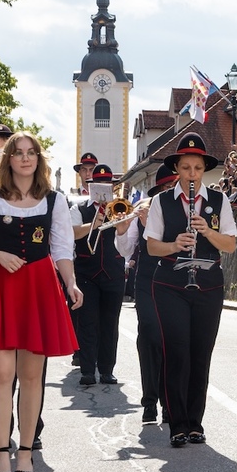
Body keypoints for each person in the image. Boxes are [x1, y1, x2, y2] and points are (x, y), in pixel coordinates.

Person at [0, 132, 84, 472]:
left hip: (39, 287)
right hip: (1, 287)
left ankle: (26, 451)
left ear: (38, 159)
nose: (25, 158)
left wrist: (71, 283)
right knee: (1, 374)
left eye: (31, 152)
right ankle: (2, 453)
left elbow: (62, 248)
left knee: (31, 376)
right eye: (18, 153)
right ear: (8, 159)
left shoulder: (55, 201)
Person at [144, 132, 237, 447]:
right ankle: (177, 423)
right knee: (177, 352)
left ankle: (195, 422)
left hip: (208, 284)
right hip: (170, 284)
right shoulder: (161, 201)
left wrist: (207, 231)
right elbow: (152, 247)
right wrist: (175, 244)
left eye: (197, 168)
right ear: (177, 169)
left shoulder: (219, 201)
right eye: (186, 168)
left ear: (204, 170)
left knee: (200, 353)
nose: (192, 174)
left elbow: (230, 244)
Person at [117, 162, 176, 424]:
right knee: (150, 336)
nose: (171, 190)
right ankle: (149, 401)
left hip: (175, 281)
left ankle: (169, 403)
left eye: (174, 186)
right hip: (148, 282)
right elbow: (125, 250)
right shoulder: (143, 210)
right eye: (167, 187)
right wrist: (122, 230)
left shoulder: (184, 210)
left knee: (172, 341)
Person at [69, 164, 134, 386]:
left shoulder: (120, 208)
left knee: (110, 323)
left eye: (107, 185)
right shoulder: (79, 209)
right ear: (90, 187)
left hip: (113, 272)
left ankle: (107, 370)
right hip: (86, 273)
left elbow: (127, 244)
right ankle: (87, 370)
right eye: (99, 185)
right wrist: (93, 224)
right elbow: (72, 233)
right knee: (87, 322)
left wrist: (122, 227)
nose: (103, 188)